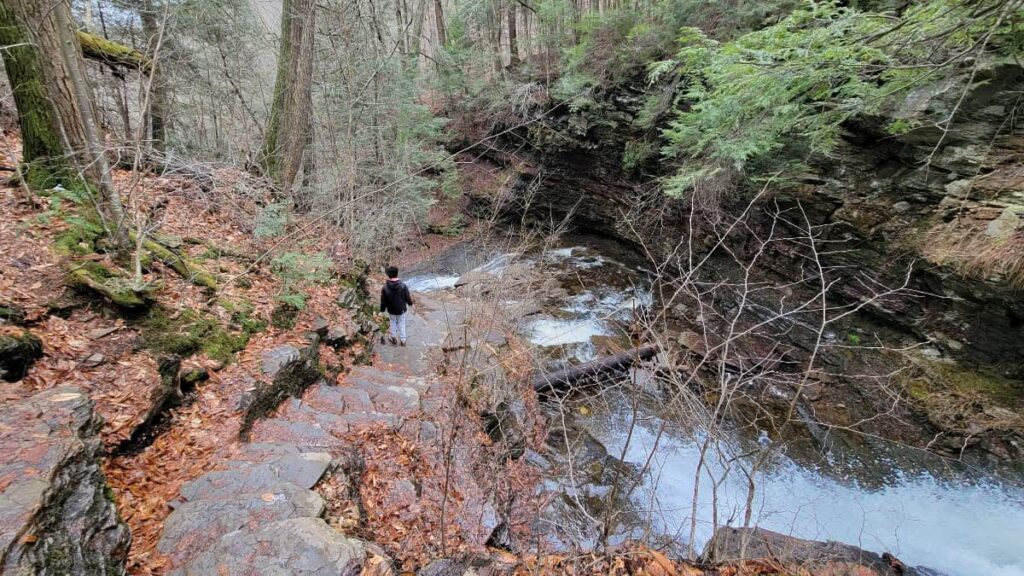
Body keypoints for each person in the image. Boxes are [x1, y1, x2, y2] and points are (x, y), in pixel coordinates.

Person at [380, 266, 413, 346]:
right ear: (397, 274)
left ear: (388, 275)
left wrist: (382, 309)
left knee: (393, 322)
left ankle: (393, 337)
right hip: (401, 309)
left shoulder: (385, 287)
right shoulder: (403, 285)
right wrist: (410, 303)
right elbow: (407, 297)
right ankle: (403, 340)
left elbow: (383, 300)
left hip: (391, 309)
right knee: (402, 323)